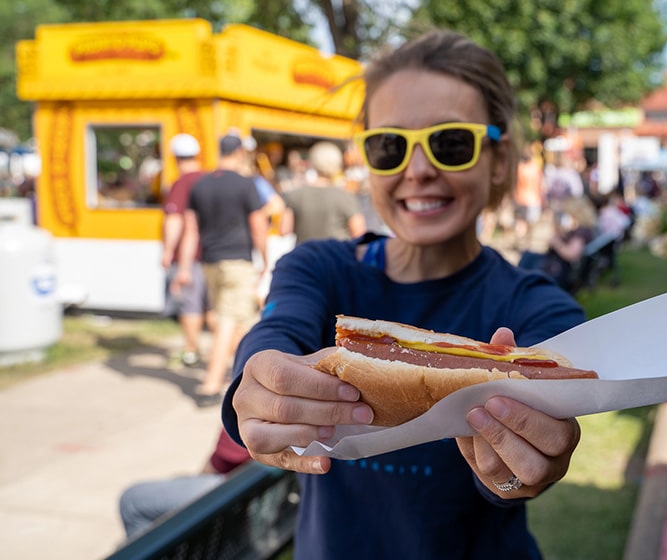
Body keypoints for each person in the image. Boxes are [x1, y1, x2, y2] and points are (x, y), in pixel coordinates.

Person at [222, 30, 586, 560]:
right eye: (389, 146)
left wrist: (514, 472)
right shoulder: (319, 269)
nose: (417, 170)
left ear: (500, 160)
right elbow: (274, 337)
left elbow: (533, 459)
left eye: (450, 143)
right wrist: (256, 386)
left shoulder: (536, 305)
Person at [178, 133, 268, 407]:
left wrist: (184, 267)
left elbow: (190, 231)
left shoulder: (201, 184)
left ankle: (237, 372)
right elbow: (258, 225)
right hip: (237, 263)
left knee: (232, 319)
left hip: (209, 262)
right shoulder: (245, 184)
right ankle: (211, 386)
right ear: (239, 152)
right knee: (230, 321)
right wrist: (265, 259)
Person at [118, 428, 251, 540]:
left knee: (132, 501)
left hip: (238, 510)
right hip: (256, 512)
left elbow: (214, 468)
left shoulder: (251, 409)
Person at [161, 133, 209, 367]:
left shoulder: (182, 183)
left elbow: (175, 219)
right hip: (212, 254)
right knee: (210, 307)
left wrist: (168, 251)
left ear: (174, 157)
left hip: (189, 256)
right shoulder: (208, 179)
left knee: (189, 304)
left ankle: (192, 350)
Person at [279, 141, 367, 244]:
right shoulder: (346, 197)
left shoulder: (295, 194)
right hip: (336, 256)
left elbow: (284, 230)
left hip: (304, 255)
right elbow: (359, 235)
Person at [518, 197, 599, 292]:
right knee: (528, 257)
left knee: (528, 259)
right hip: (556, 265)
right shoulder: (579, 229)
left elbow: (572, 254)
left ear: (575, 213)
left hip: (560, 270)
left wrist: (557, 242)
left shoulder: (581, 232)